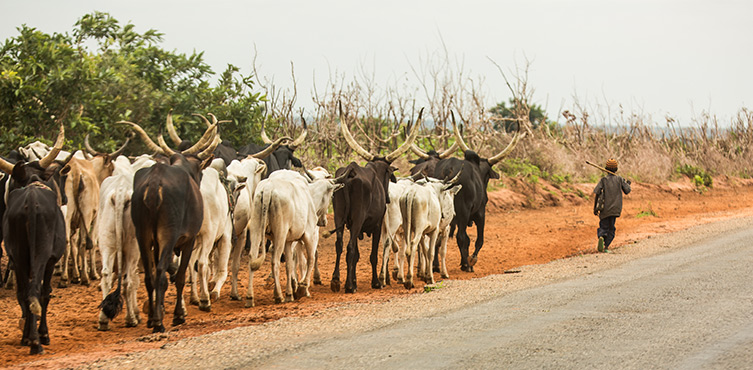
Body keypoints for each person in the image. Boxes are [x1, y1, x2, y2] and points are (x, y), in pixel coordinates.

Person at [593, 158, 631, 252]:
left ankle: (601, 236)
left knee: (603, 225)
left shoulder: (604, 180)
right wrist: (627, 184)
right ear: (616, 169)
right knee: (611, 228)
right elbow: (627, 191)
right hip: (615, 209)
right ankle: (606, 246)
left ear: (606, 169)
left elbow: (597, 192)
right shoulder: (620, 179)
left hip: (604, 209)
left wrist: (595, 207)